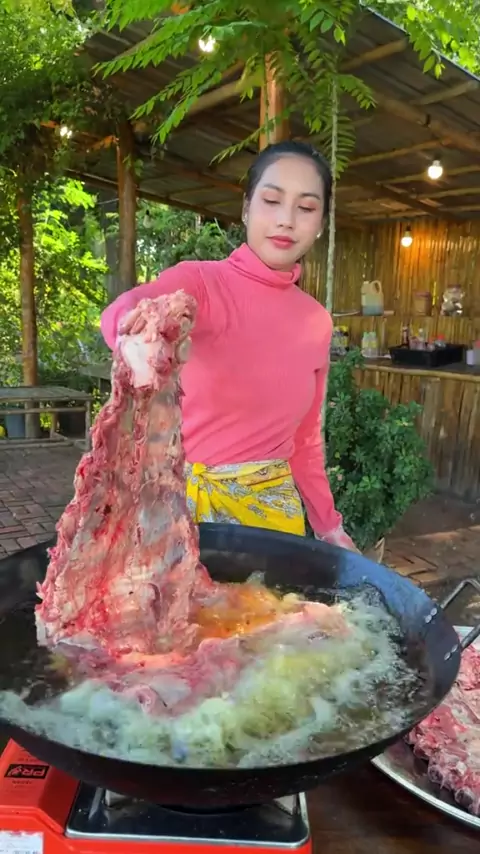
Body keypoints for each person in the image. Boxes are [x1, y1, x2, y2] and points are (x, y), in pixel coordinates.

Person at [101, 140, 357, 551]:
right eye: (271, 201)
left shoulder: (316, 321)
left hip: (271, 521)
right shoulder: (201, 283)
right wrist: (136, 338)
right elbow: (130, 307)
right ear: (246, 208)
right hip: (179, 513)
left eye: (306, 208)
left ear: (321, 223)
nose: (286, 220)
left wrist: (329, 527)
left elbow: (306, 440)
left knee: (271, 597)